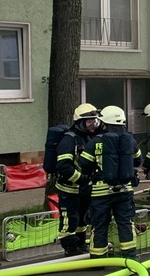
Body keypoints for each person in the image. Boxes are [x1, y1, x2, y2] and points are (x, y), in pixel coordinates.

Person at [79, 105, 142, 259]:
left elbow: (84, 163)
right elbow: (138, 160)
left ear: (104, 123)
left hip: (101, 192)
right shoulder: (130, 140)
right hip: (125, 190)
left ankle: (98, 259)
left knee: (100, 225)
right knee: (126, 223)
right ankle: (130, 257)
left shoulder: (96, 141)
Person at [55, 103, 101, 257]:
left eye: (94, 121)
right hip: (69, 188)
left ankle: (80, 244)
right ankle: (69, 247)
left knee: (83, 218)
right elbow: (63, 166)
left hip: (84, 188)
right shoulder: (69, 140)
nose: (93, 125)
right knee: (70, 219)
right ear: (80, 122)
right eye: (89, 121)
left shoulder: (89, 137)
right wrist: (82, 179)